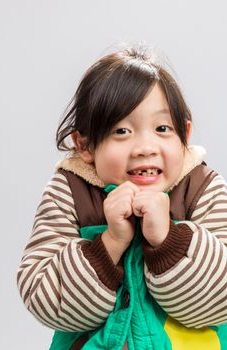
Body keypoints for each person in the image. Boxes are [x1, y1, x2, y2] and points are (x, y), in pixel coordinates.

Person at [17, 45, 227, 350]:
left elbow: (218, 302)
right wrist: (109, 245)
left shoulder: (202, 189)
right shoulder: (69, 193)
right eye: (122, 131)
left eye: (162, 128)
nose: (145, 147)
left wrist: (168, 241)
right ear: (85, 144)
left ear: (185, 135)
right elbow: (46, 302)